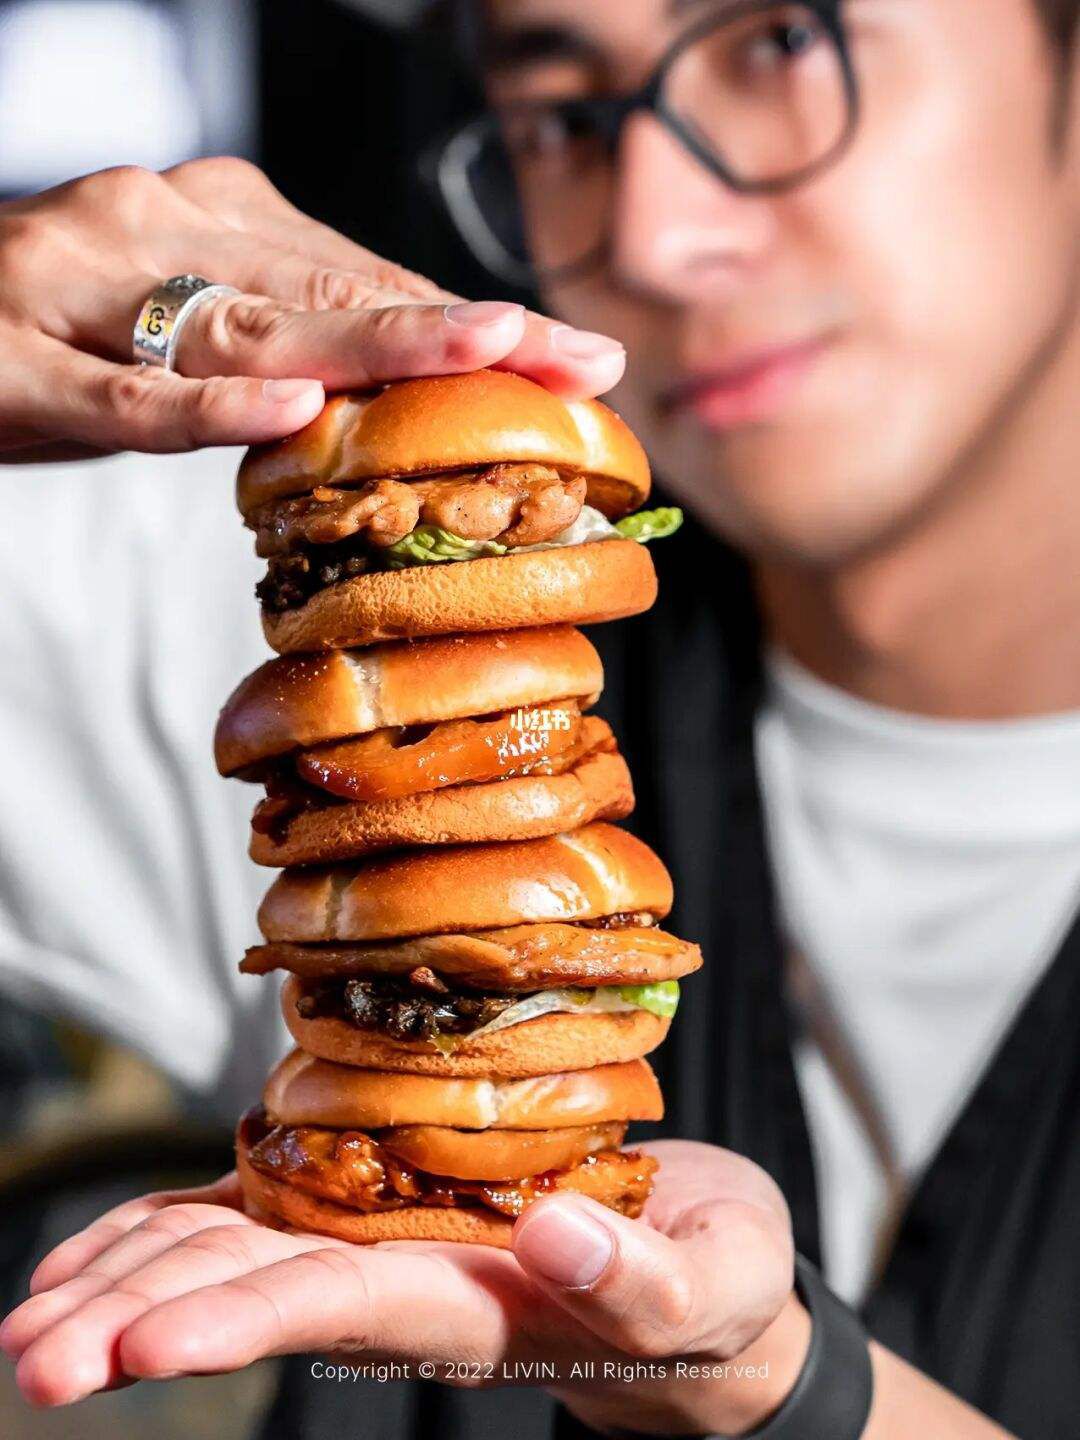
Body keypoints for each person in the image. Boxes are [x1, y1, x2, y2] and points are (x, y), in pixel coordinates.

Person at [0, 0, 1078, 1436]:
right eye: (562, 117)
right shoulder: (329, 705)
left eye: (781, 47)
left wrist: (785, 1396)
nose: (654, 235)